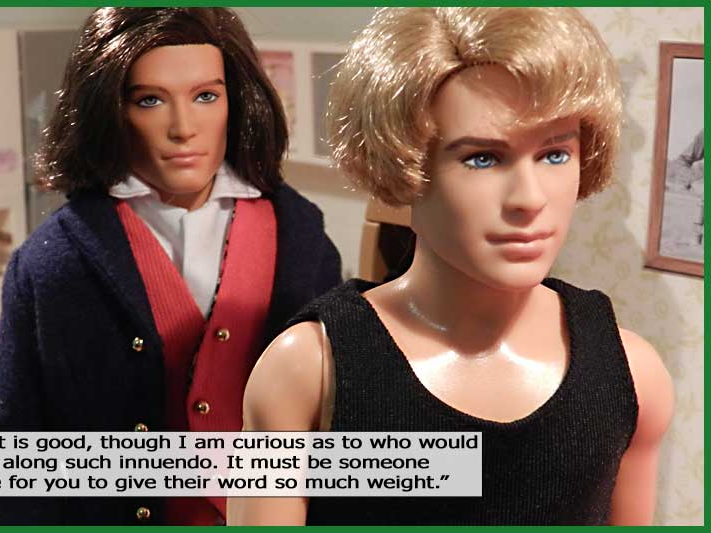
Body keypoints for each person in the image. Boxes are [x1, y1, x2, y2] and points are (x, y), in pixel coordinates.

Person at [229, 7, 673, 526]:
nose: (529, 199)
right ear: (405, 165)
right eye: (482, 158)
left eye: (554, 155)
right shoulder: (308, 372)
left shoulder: (633, 375)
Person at [0, 7, 341, 526]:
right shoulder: (53, 262)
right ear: (110, 110)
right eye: (149, 100)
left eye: (206, 96)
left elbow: (336, 418)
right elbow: (11, 447)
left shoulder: (302, 238)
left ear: (236, 102)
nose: (183, 128)